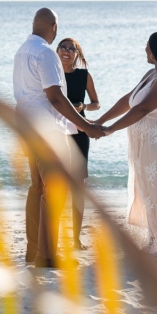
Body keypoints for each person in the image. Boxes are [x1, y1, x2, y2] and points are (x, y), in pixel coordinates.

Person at [13, 8, 103, 268]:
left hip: (27, 126)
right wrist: (85, 125)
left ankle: (34, 251)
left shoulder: (22, 51)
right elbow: (54, 97)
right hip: (48, 131)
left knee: (37, 188)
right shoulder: (44, 53)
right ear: (54, 26)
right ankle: (48, 256)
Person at [95, 31, 157, 262]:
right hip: (142, 142)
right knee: (146, 191)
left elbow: (142, 110)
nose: (144, 50)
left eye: (147, 46)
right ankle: (154, 239)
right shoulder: (152, 74)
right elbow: (127, 101)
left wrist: (110, 130)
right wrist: (100, 121)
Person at [56, 38, 100, 250]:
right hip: (55, 133)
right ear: (56, 51)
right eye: (62, 47)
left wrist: (83, 106)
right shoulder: (51, 75)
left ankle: (75, 239)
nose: (66, 51)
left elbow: (96, 103)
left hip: (79, 134)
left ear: (77, 54)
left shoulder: (84, 75)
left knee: (78, 187)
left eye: (71, 48)